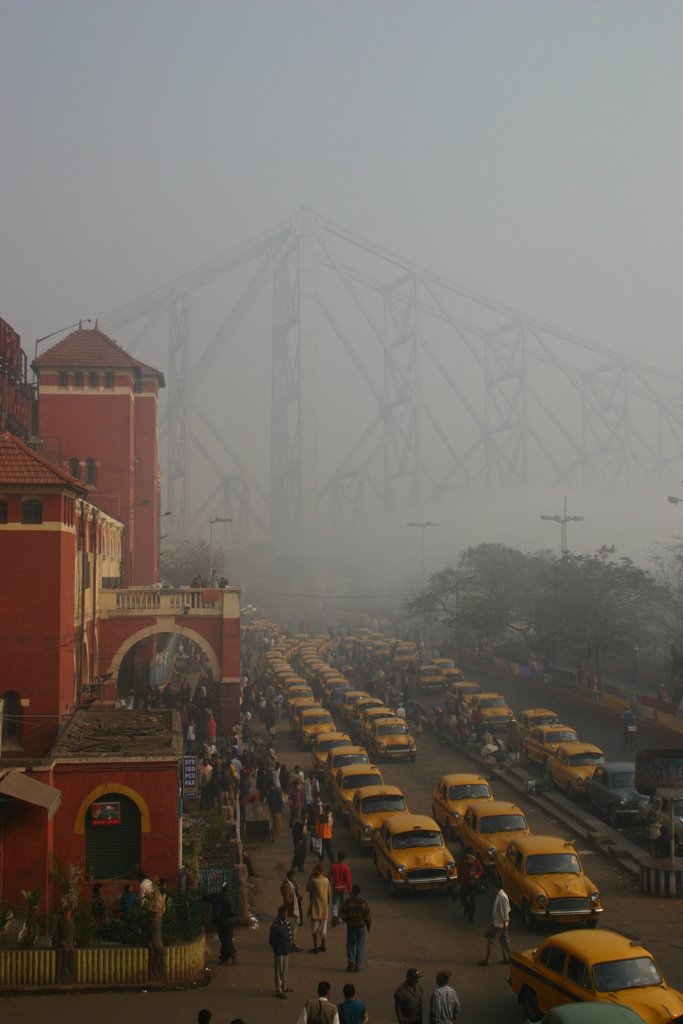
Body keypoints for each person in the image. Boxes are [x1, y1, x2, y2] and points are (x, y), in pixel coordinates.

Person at [203, 882, 238, 964]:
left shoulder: (216, 897)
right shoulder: (229, 900)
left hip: (219, 923)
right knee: (227, 940)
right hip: (228, 923)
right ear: (228, 890)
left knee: (224, 940)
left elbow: (205, 898)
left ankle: (227, 955)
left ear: (221, 889)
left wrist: (202, 890)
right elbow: (233, 912)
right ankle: (229, 955)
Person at [340, 883, 371, 972]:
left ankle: (351, 962)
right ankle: (358, 966)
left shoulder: (347, 902)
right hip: (361, 927)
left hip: (350, 927)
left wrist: (348, 921)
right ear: (359, 892)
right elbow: (367, 916)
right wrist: (368, 926)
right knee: (360, 946)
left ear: (352, 891)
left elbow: (342, 914)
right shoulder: (363, 902)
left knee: (350, 944)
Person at [478, 878, 510, 966]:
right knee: (504, 942)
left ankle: (488, 960)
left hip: (500, 925)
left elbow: (505, 912)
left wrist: (504, 924)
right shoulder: (500, 895)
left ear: (496, 888)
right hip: (500, 924)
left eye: (492, 888)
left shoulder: (502, 897)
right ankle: (507, 959)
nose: (491, 890)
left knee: (491, 942)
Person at [268, 904, 294, 1000]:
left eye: (286, 913)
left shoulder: (286, 923)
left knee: (284, 970)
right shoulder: (275, 926)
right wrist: (277, 948)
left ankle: (284, 986)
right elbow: (271, 941)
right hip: (279, 951)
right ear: (280, 914)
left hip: (286, 950)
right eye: (284, 913)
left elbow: (289, 934)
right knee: (278, 971)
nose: (286, 915)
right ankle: (279, 989)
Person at [306, 863, 331, 953]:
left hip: (316, 908)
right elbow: (328, 894)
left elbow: (307, 888)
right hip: (324, 908)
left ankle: (315, 947)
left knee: (314, 929)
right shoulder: (326, 880)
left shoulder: (314, 881)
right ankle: (323, 945)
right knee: (323, 929)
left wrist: (310, 877)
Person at [456, 847, 484, 923]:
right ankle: (468, 908)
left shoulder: (475, 861)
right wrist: (458, 882)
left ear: (472, 854)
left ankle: (470, 917)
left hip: (473, 884)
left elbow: (481, 869)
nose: (468, 857)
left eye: (470, 855)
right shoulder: (462, 861)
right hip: (464, 884)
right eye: (467, 855)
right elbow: (459, 872)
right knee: (462, 899)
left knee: (473, 902)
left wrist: (477, 875)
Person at [280, 869, 303, 951]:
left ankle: (291, 944)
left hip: (291, 910)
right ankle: (291, 945)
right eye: (293, 877)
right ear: (291, 877)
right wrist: (294, 899)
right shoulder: (287, 886)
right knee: (292, 929)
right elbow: (287, 900)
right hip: (290, 911)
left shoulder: (289, 884)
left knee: (291, 928)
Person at [329, 851, 353, 923]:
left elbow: (329, 877)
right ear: (344, 858)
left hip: (335, 887)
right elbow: (348, 880)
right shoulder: (346, 868)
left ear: (337, 857)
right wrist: (350, 890)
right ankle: (339, 918)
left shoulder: (333, 866)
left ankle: (334, 915)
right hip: (343, 888)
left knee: (334, 902)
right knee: (342, 903)